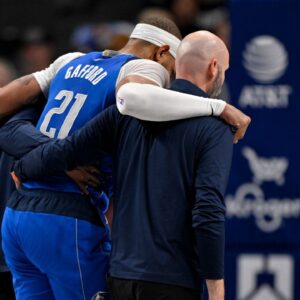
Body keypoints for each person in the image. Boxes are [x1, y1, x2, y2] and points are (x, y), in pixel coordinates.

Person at [0, 16, 250, 300]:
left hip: (17, 213)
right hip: (67, 218)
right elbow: (132, 97)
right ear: (162, 52)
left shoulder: (70, 61)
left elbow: (8, 106)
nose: (168, 82)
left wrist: (40, 160)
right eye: (170, 69)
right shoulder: (144, 68)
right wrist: (217, 107)